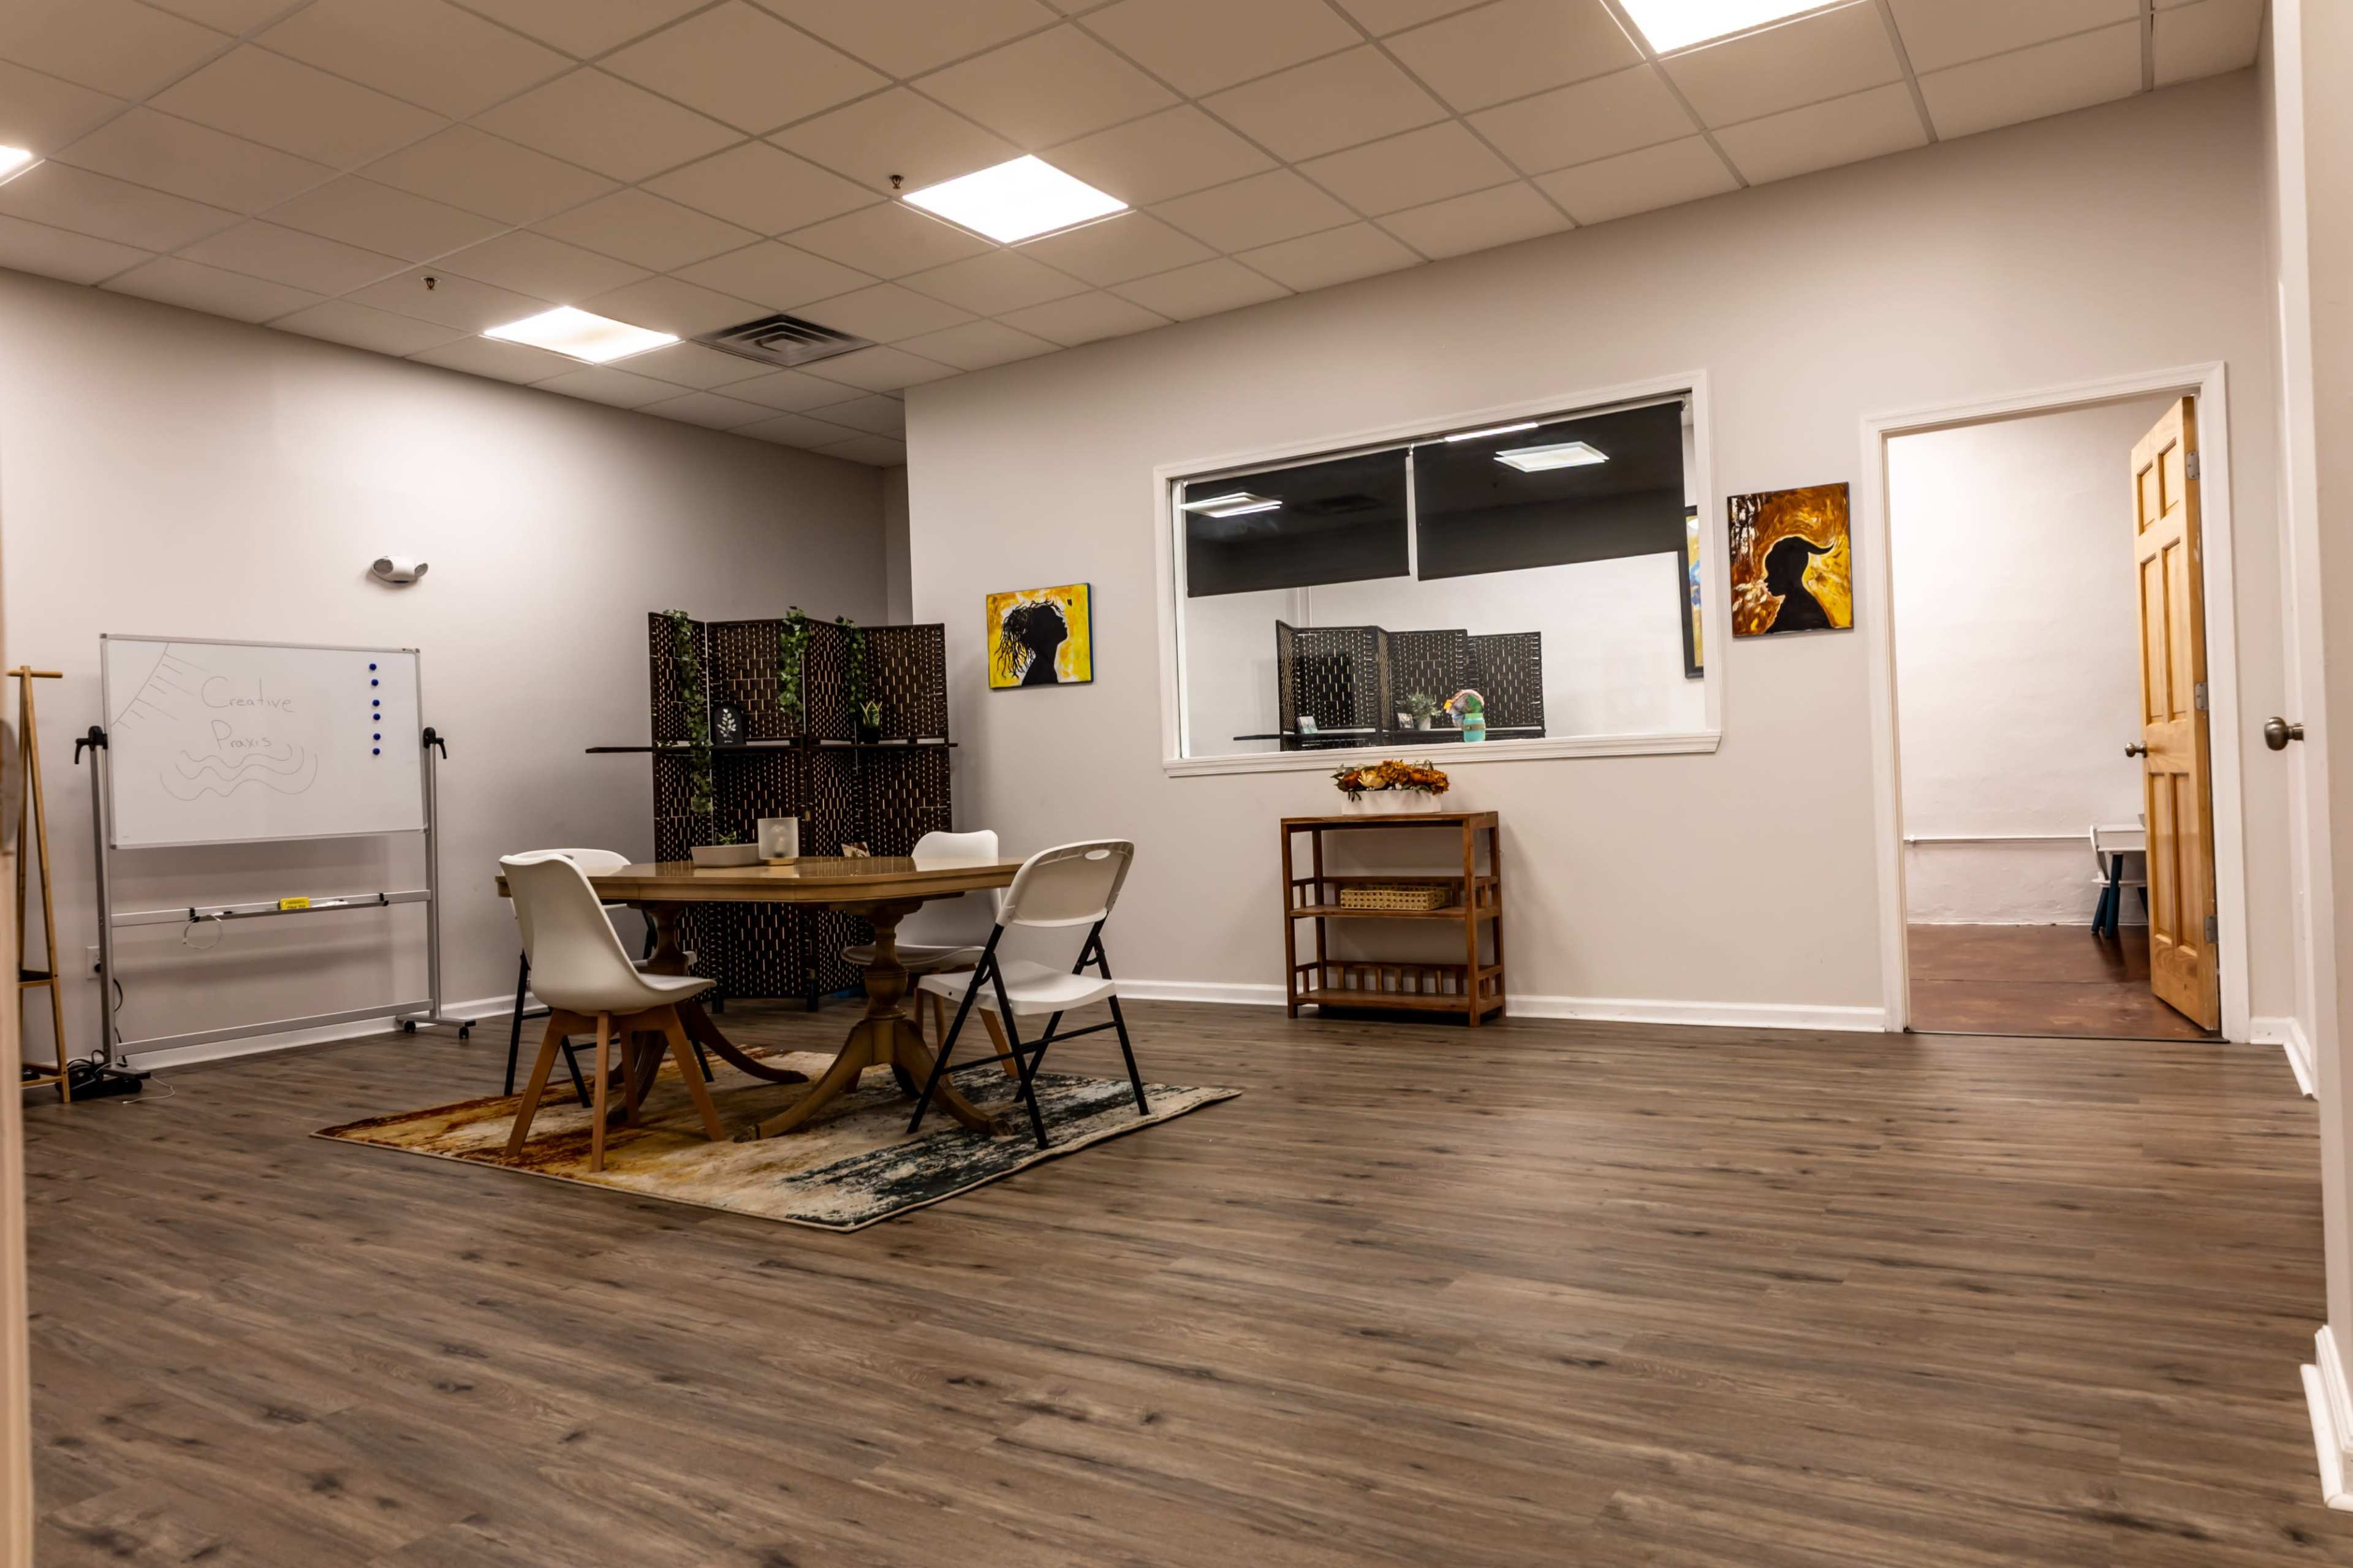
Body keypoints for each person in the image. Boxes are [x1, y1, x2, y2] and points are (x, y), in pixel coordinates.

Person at [1760, 534, 1836, 632]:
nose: (1766, 580)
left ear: (1787, 574)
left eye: (1772, 573)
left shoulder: (1799, 607)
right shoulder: (1799, 603)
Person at [996, 599, 1069, 686]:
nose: (1060, 618)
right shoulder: (1042, 672)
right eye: (1053, 618)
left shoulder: (1044, 667)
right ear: (1044, 632)